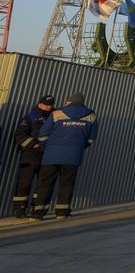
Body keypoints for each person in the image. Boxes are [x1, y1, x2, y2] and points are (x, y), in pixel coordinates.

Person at [33, 92, 98, 220]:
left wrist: (47, 147)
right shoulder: (91, 115)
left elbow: (43, 134)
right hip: (73, 156)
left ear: (69, 101)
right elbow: (91, 138)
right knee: (67, 183)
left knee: (45, 183)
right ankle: (62, 213)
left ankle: (38, 213)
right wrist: (78, 147)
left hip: (52, 155)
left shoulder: (57, 113)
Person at [11, 94, 55, 218]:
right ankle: (20, 210)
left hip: (47, 155)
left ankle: (37, 209)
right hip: (30, 155)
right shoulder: (30, 117)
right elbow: (19, 135)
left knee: (43, 184)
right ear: (39, 103)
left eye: (50, 105)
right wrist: (34, 145)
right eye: (46, 105)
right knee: (24, 182)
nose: (48, 107)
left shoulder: (55, 117)